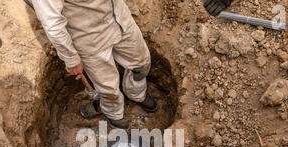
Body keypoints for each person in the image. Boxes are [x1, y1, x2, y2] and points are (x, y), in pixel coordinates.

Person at [32, 0, 233, 130]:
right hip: (88, 38)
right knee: (108, 87)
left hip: (120, 20)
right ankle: (113, 112)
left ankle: (136, 93)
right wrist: (71, 59)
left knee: (141, 64)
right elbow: (52, 24)